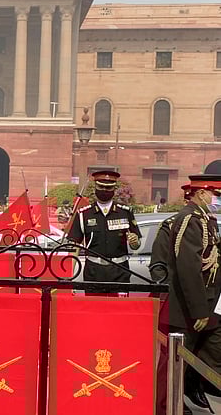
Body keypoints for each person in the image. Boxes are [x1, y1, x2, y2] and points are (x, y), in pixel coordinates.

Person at [151, 174, 221, 414]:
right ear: (201, 193)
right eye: (216, 195)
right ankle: (165, 406)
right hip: (188, 308)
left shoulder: (206, 219)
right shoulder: (190, 219)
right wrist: (199, 309)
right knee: (175, 360)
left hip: (208, 303)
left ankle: (192, 393)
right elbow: (189, 268)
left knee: (206, 356)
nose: (217, 200)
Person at [68, 171, 142, 295]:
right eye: (101, 187)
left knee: (120, 306)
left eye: (108, 188)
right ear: (95, 188)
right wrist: (69, 277)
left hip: (119, 270)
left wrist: (134, 242)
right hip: (93, 271)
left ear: (114, 189)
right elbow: (74, 247)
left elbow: (136, 245)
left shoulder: (125, 212)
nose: (104, 190)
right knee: (94, 306)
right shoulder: (84, 214)